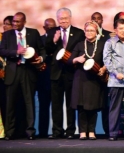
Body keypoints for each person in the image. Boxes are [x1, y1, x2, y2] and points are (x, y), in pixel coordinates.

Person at [0, 12, 46, 140]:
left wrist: (41, 58)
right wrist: (16, 52)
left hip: (28, 71)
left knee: (29, 102)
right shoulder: (7, 35)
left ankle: (30, 132)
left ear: (24, 22)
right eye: (13, 21)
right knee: (10, 103)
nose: (14, 24)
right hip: (13, 71)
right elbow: (2, 50)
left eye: (17, 22)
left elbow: (42, 50)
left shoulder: (33, 33)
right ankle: (9, 132)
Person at [45, 8, 85, 139]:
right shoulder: (52, 32)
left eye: (66, 18)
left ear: (70, 18)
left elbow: (80, 51)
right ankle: (57, 131)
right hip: (56, 72)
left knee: (70, 104)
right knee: (56, 103)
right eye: (61, 19)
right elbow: (47, 50)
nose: (63, 21)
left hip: (71, 73)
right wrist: (54, 41)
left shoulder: (78, 33)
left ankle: (70, 131)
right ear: (57, 19)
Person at [68, 20, 107, 140]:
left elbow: (107, 60)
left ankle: (91, 131)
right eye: (87, 30)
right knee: (81, 107)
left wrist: (104, 68)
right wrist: (76, 60)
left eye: (92, 30)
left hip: (95, 80)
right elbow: (69, 60)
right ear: (84, 32)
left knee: (93, 106)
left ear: (97, 32)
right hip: (81, 79)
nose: (89, 32)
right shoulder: (79, 44)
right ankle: (82, 132)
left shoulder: (102, 45)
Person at [91, 12, 111, 136]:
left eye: (99, 19)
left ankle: (108, 131)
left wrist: (105, 69)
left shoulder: (109, 35)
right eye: (94, 19)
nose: (97, 21)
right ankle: (90, 130)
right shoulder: (86, 36)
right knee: (92, 104)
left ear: (102, 20)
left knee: (106, 105)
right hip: (91, 76)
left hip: (106, 76)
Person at [36, 18, 56, 138]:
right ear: (44, 28)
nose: (52, 29)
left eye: (54, 27)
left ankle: (57, 131)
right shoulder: (40, 40)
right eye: (49, 27)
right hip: (43, 78)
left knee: (57, 108)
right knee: (43, 106)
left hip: (57, 78)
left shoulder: (60, 40)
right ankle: (43, 132)